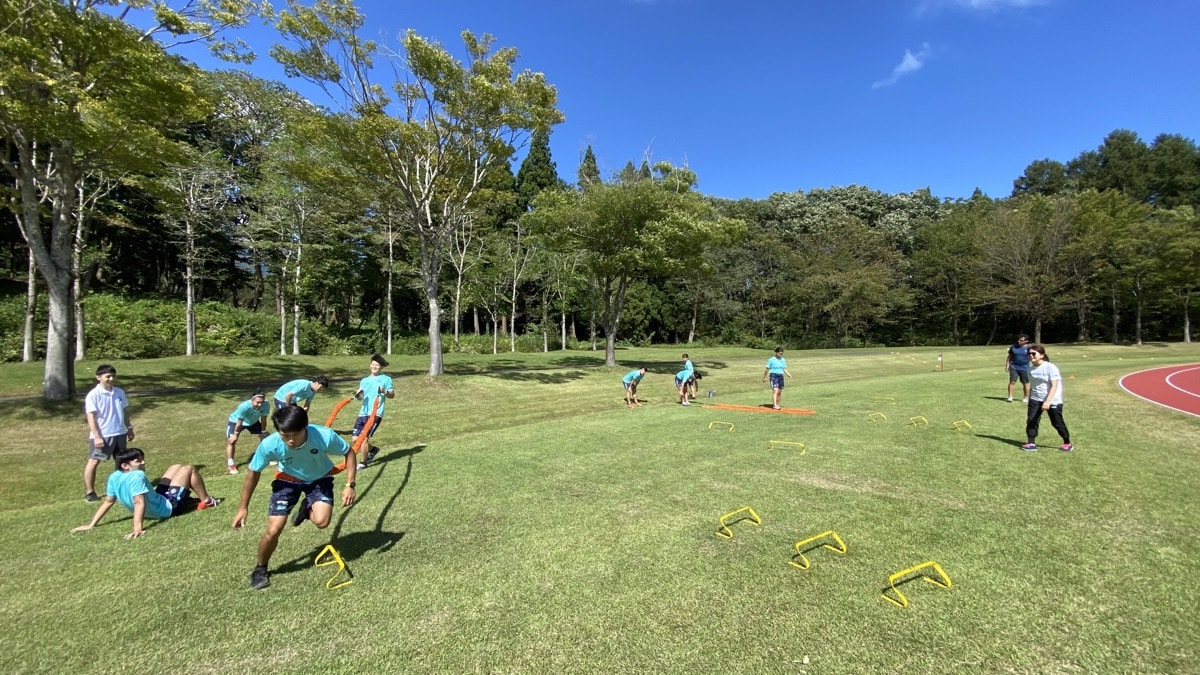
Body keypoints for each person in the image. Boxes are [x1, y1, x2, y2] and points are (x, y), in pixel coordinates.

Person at [232, 405, 357, 590]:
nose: (290, 440)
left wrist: (350, 485)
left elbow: (349, 452)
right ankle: (260, 569)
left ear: (305, 427)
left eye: (295, 435)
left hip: (319, 479)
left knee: (322, 522)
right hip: (287, 480)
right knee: (274, 529)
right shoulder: (269, 445)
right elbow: (253, 473)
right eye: (285, 435)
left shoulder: (323, 436)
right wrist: (243, 508)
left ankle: (307, 508)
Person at [73, 448, 220, 539]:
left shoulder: (114, 476)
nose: (143, 463)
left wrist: (91, 524)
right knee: (189, 469)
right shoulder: (137, 476)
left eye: (143, 460)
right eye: (138, 461)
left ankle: (189, 499)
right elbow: (139, 502)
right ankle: (206, 500)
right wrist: (137, 529)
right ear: (125, 465)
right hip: (167, 509)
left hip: (158, 500)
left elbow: (108, 501)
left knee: (175, 466)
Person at [83, 364, 134, 503]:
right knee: (94, 462)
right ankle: (90, 492)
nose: (111, 379)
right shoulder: (93, 395)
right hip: (103, 436)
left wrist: (129, 428)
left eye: (113, 376)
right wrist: (97, 436)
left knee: (122, 461)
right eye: (108, 376)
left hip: (120, 433)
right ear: (98, 377)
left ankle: (122, 488)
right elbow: (91, 417)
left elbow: (124, 411)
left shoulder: (119, 392)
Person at [1021, 344, 1073, 452]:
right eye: (1029, 354)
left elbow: (1054, 385)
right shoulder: (1030, 369)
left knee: (1057, 422)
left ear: (1042, 355)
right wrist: (1031, 398)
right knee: (1031, 421)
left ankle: (1067, 443)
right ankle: (1031, 443)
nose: (1031, 355)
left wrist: (1048, 401)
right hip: (1035, 399)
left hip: (1052, 400)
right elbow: (1034, 386)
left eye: (1033, 353)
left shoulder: (1050, 367)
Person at [353, 353, 395, 469]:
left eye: (377, 365)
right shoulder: (364, 380)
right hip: (363, 413)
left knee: (363, 438)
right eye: (373, 364)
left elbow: (392, 395)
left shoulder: (386, 379)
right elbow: (361, 397)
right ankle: (373, 450)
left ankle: (363, 463)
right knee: (355, 439)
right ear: (370, 365)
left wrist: (384, 391)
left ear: (381, 367)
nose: (374, 367)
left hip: (375, 413)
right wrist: (357, 395)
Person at [225, 390, 270, 474]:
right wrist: (235, 434)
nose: (260, 405)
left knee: (265, 437)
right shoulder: (244, 406)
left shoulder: (266, 405)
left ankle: (265, 457)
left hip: (252, 422)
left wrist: (263, 431)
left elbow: (264, 419)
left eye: (262, 402)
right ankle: (231, 464)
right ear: (252, 400)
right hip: (236, 421)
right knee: (232, 441)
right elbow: (239, 422)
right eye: (258, 402)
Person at [1005, 334, 1032, 403]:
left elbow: (1033, 357)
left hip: (1025, 367)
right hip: (1014, 366)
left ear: (1026, 341)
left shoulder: (1029, 348)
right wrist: (1007, 365)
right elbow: (1009, 357)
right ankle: (1010, 397)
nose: (1019, 341)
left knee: (1025, 383)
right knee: (1012, 381)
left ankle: (1026, 397)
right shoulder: (1013, 347)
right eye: (1019, 339)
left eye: (1021, 340)